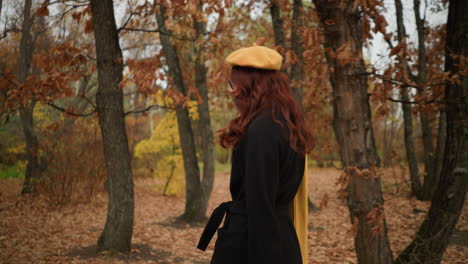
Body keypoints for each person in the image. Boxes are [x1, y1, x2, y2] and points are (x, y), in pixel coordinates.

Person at [197, 44, 314, 264]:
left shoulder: (262, 131)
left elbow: (260, 208)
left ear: (249, 86)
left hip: (252, 245)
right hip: (279, 239)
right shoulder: (285, 123)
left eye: (233, 84)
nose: (231, 92)